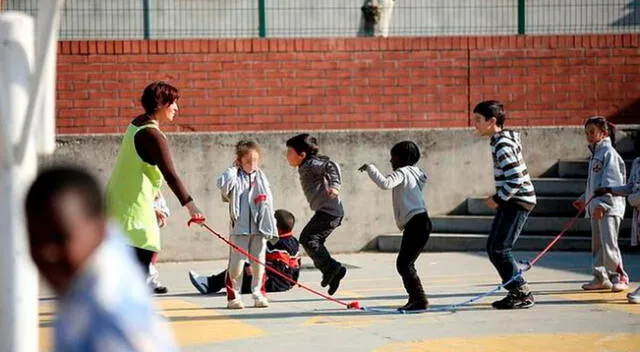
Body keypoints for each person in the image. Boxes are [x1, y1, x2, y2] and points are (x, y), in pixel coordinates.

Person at [25, 166, 177, 351]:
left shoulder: (107, 317)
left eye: (60, 238)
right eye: (34, 240)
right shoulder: (104, 254)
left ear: (100, 229)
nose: (46, 254)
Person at [106, 81, 205, 284]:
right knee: (138, 268)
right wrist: (191, 206)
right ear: (160, 104)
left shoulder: (137, 124)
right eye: (173, 103)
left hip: (124, 205)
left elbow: (141, 171)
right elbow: (170, 174)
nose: (176, 108)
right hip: (132, 212)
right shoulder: (152, 135)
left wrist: (153, 205)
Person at [473, 100, 536, 309]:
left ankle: (521, 292)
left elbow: (516, 178)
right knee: (494, 247)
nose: (475, 124)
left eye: (478, 120)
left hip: (518, 201)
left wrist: (498, 198)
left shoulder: (503, 144)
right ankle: (515, 290)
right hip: (512, 200)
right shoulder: (499, 141)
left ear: (492, 121)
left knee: (500, 248)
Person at [359, 141, 432, 311]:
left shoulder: (403, 172)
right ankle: (417, 299)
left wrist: (371, 168)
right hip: (422, 221)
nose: (391, 162)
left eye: (393, 158)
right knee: (406, 263)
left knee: (404, 264)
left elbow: (385, 183)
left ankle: (419, 299)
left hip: (416, 223)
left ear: (401, 159)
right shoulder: (417, 172)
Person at [217, 140, 278, 309]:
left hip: (259, 228)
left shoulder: (261, 178)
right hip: (240, 229)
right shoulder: (235, 177)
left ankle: (259, 293)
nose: (253, 165)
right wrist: (233, 169)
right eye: (248, 161)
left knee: (259, 264)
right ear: (240, 161)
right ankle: (233, 297)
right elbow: (223, 185)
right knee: (236, 266)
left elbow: (268, 201)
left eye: (255, 161)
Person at [286, 133, 346, 296]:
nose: (287, 156)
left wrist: (335, 186)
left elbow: (331, 165)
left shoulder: (311, 163)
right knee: (313, 241)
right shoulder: (306, 164)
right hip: (325, 212)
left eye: (289, 152)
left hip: (330, 212)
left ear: (302, 155)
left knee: (308, 239)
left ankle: (332, 269)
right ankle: (332, 273)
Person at [188, 209, 301, 295]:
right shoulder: (291, 240)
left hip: (276, 283)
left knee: (239, 270)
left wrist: (259, 268)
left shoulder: (279, 245)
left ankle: (209, 284)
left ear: (277, 228)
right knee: (242, 268)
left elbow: (279, 268)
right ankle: (215, 283)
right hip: (283, 282)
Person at [574, 116, 629, 292]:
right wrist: (584, 199)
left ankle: (619, 276)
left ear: (604, 133)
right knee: (597, 245)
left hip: (609, 208)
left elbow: (611, 182)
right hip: (596, 207)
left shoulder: (609, 154)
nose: (588, 135)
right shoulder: (596, 155)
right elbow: (594, 184)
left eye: (592, 132)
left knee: (609, 244)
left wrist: (603, 205)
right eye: (586, 132)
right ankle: (600, 277)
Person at [595, 155, 640, 302]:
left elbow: (634, 195)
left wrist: (633, 198)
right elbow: (630, 187)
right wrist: (610, 190)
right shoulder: (637, 162)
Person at [148, 192, 170, 294]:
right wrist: (155, 210)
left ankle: (150, 283)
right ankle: (151, 283)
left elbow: (164, 208)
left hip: (153, 230)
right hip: (141, 229)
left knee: (152, 256)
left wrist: (163, 214)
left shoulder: (158, 194)